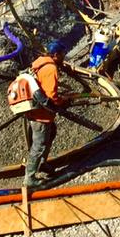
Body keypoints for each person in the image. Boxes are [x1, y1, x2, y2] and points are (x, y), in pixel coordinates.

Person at [23, 41, 71, 189]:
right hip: (41, 115)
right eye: (62, 54)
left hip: (34, 110)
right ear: (55, 55)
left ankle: (42, 164)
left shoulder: (40, 62)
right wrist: (63, 100)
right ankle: (29, 178)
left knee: (51, 133)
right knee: (39, 145)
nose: (64, 57)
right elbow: (51, 97)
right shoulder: (51, 69)